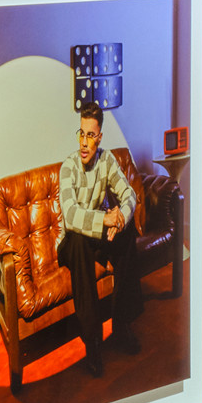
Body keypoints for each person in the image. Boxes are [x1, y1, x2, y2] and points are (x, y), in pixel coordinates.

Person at [50, 105, 138, 378]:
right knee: (77, 241)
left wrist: (120, 218)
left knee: (127, 231)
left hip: (98, 234)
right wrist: (105, 221)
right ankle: (93, 342)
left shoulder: (107, 160)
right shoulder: (68, 167)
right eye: (81, 134)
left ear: (99, 137)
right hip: (71, 244)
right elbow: (72, 217)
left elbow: (130, 194)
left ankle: (121, 326)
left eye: (91, 135)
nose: (84, 142)